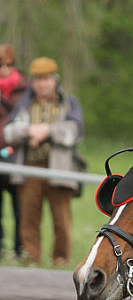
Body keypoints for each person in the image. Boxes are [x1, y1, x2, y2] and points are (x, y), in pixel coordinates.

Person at [4, 56, 84, 267]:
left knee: (61, 219)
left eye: (46, 79)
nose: (42, 83)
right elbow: (9, 132)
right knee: (28, 219)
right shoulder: (24, 104)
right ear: (33, 81)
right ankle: (31, 259)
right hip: (30, 169)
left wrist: (47, 130)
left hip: (60, 169)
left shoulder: (69, 103)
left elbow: (76, 132)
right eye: (38, 79)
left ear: (54, 80)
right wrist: (29, 130)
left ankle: (61, 260)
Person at [0, 44, 27, 258]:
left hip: (19, 157)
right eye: (1, 65)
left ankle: (20, 249)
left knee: (21, 209)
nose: (4, 69)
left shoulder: (26, 90)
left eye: (8, 64)